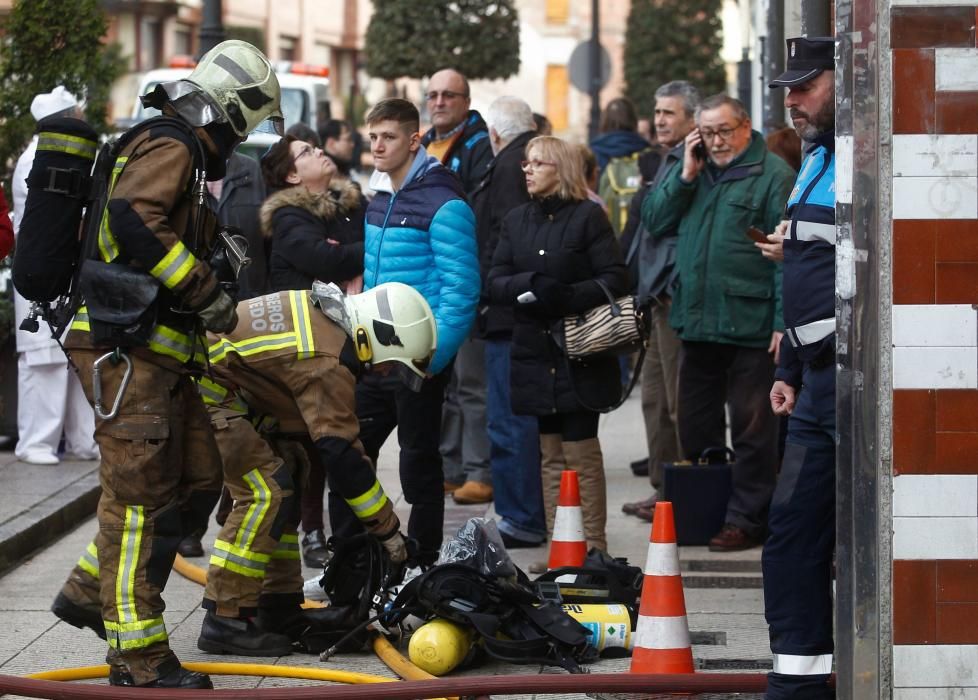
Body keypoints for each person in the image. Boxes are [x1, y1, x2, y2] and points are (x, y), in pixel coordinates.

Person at [50, 40, 284, 690]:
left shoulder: (178, 145)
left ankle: (84, 592)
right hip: (126, 351)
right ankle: (139, 657)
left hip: (160, 353)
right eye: (243, 123)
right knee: (140, 503)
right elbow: (134, 218)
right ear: (230, 111)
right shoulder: (173, 143)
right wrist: (202, 290)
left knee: (199, 477)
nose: (240, 139)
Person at [196, 284, 425, 655]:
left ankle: (278, 605)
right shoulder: (326, 360)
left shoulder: (325, 313)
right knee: (265, 491)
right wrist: (388, 532)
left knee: (289, 475)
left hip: (228, 386)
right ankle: (225, 617)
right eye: (390, 364)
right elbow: (342, 455)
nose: (383, 373)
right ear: (377, 336)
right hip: (207, 393)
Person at [327, 98, 479, 565]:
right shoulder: (379, 199)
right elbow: (373, 282)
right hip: (373, 355)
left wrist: (432, 359)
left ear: (415, 140)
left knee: (419, 465)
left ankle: (422, 562)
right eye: (372, 136)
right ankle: (348, 563)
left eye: (388, 137)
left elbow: (462, 291)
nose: (377, 145)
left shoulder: (444, 201)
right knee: (348, 457)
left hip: (418, 359)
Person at [641, 94, 795, 552]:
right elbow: (654, 220)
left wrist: (783, 323)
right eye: (707, 132)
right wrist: (685, 175)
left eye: (724, 130)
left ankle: (747, 518)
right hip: (698, 322)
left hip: (750, 324)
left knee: (752, 432)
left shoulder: (774, 176)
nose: (717, 141)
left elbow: (788, 256)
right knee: (694, 425)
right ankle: (707, 509)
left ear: (745, 126)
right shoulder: (694, 171)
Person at [487, 135, 629, 554]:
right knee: (549, 458)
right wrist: (531, 285)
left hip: (580, 351)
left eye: (538, 163)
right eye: (526, 163)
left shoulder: (588, 217)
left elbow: (616, 279)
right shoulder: (516, 220)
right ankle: (562, 550)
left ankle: (595, 549)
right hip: (535, 350)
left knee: (581, 455)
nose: (526, 169)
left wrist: (568, 295)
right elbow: (494, 281)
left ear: (561, 169)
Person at [762, 37, 837, 700]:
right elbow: (808, 268)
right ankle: (798, 684)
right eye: (789, 87)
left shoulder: (871, 161)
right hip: (816, 381)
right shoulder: (815, 160)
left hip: (857, 380)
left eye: (807, 85)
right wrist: (788, 363)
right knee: (790, 536)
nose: (793, 99)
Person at [259, 134, 366, 568]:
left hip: (343, 338)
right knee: (306, 441)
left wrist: (349, 255)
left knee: (335, 439)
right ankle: (309, 530)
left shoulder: (351, 205)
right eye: (306, 152)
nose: (318, 152)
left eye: (316, 147)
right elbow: (322, 259)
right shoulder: (288, 214)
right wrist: (354, 256)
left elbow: (344, 253)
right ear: (290, 174)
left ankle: (337, 530)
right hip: (300, 345)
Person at [619, 80, 701, 523]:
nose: (659, 120)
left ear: (692, 118)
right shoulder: (666, 159)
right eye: (657, 111)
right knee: (653, 400)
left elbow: (662, 220)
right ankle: (663, 489)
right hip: (653, 296)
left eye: (670, 113)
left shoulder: (693, 160)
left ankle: (687, 493)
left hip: (675, 296)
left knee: (677, 401)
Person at [471, 96, 545, 549]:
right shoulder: (528, 161)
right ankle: (525, 513)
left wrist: (487, 292)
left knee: (508, 420)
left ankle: (521, 517)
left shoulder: (507, 167)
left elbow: (500, 238)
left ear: (495, 135)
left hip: (506, 312)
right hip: (520, 308)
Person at [10, 86, 98, 466]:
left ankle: (83, 440)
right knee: (43, 362)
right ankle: (36, 443)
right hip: (42, 271)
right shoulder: (38, 159)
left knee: (71, 358)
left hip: (60, 271)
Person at [419, 68, 494, 504]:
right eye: (433, 95)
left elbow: (478, 218)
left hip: (462, 278)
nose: (440, 101)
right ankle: (449, 467)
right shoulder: (424, 144)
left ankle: (479, 471)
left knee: (470, 383)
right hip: (428, 281)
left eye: (449, 94)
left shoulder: (479, 147)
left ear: (466, 100)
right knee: (439, 381)